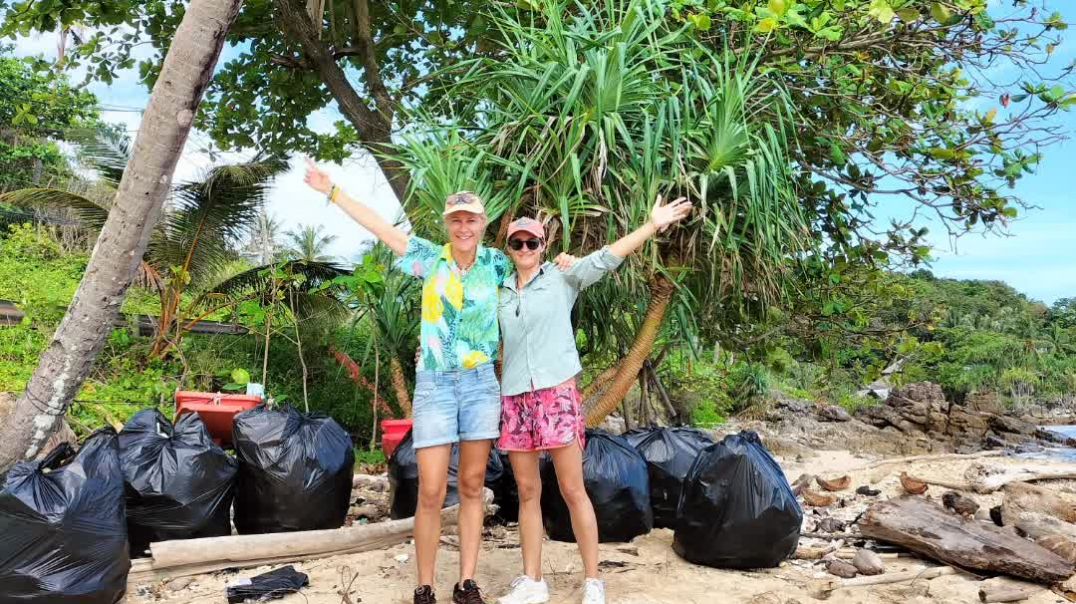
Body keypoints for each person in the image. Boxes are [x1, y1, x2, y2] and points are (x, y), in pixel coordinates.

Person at [304, 160, 508, 604]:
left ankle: (466, 582)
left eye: (471, 219)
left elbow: (535, 277)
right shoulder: (427, 259)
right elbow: (379, 226)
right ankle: (425, 584)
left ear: (483, 223)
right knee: (431, 490)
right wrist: (332, 191)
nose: (463, 227)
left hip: (479, 386)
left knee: (473, 486)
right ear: (447, 224)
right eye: (456, 220)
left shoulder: (497, 264)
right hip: (435, 384)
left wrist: (564, 259)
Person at [494, 197, 692, 604]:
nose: (525, 250)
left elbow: (606, 257)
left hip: (556, 394)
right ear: (509, 248)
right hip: (515, 398)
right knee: (527, 492)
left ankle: (592, 581)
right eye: (518, 243)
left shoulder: (562, 277)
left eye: (533, 243)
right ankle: (532, 581)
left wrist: (652, 224)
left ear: (544, 246)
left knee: (572, 489)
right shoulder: (498, 291)